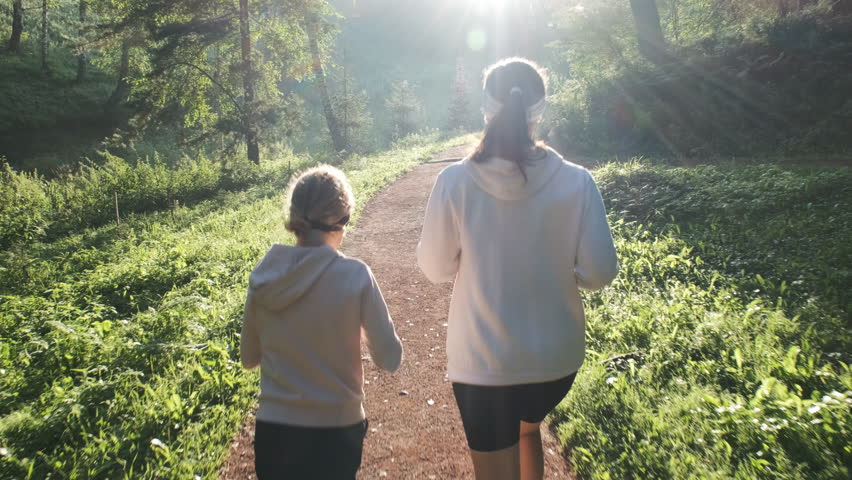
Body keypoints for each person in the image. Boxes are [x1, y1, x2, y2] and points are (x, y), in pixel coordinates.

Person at [417, 58, 618, 480]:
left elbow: (434, 268)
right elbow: (600, 272)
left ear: (485, 108)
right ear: (540, 110)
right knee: (528, 433)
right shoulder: (578, 181)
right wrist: (560, 273)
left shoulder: (455, 182)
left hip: (483, 367)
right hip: (554, 364)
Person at [241, 165, 403, 480]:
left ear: (294, 219)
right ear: (341, 221)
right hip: (337, 429)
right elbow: (390, 359)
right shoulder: (355, 276)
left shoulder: (264, 277)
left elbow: (249, 359)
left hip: (276, 430)